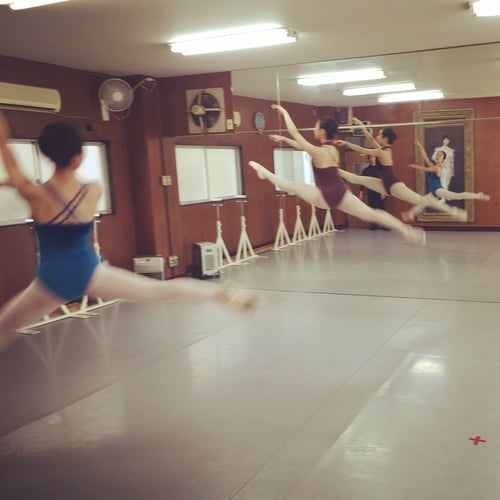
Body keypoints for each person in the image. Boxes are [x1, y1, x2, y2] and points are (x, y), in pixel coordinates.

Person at [0, 113, 256, 355]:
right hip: (89, 273)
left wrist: (12, 168)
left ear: (47, 153)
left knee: (5, 326)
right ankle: (219, 294)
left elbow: (8, 154)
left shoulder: (33, 194)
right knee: (158, 291)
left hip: (51, 281)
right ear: (78, 156)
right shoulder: (93, 190)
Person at [249, 103, 426, 246]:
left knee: (293, 186)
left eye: (315, 127)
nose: (314, 130)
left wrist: (284, 112)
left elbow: (295, 134)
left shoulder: (318, 152)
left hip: (325, 195)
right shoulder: (332, 150)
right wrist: (284, 139)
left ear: (322, 132)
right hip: (342, 192)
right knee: (372, 213)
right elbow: (301, 145)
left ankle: (264, 172)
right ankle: (407, 231)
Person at [333, 118, 468, 222]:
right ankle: (333, 170)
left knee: (421, 201)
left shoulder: (383, 152)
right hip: (384, 185)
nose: (377, 137)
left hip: (394, 185)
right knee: (357, 179)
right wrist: (359, 124)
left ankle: (455, 212)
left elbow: (361, 149)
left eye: (380, 135)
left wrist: (346, 143)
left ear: (385, 138)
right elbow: (370, 137)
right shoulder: (382, 149)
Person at [404, 139, 490, 220]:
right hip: (433, 192)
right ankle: (410, 213)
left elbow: (425, 169)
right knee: (423, 202)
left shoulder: (438, 168)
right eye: (437, 154)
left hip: (438, 190)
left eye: (440, 155)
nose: (438, 156)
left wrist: (415, 166)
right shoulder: (433, 165)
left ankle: (478, 195)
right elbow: (425, 156)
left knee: (456, 196)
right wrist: (419, 145)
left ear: (443, 159)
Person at [360, 154, 387, 230]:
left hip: (380, 191)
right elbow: (362, 182)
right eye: (370, 158)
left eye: (373, 157)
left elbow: (384, 181)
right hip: (370, 192)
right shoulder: (366, 170)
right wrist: (361, 193)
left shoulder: (380, 169)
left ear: (376, 158)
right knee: (372, 209)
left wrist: (384, 192)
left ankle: (385, 225)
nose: (372, 159)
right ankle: (374, 226)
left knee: (382, 209)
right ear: (369, 159)